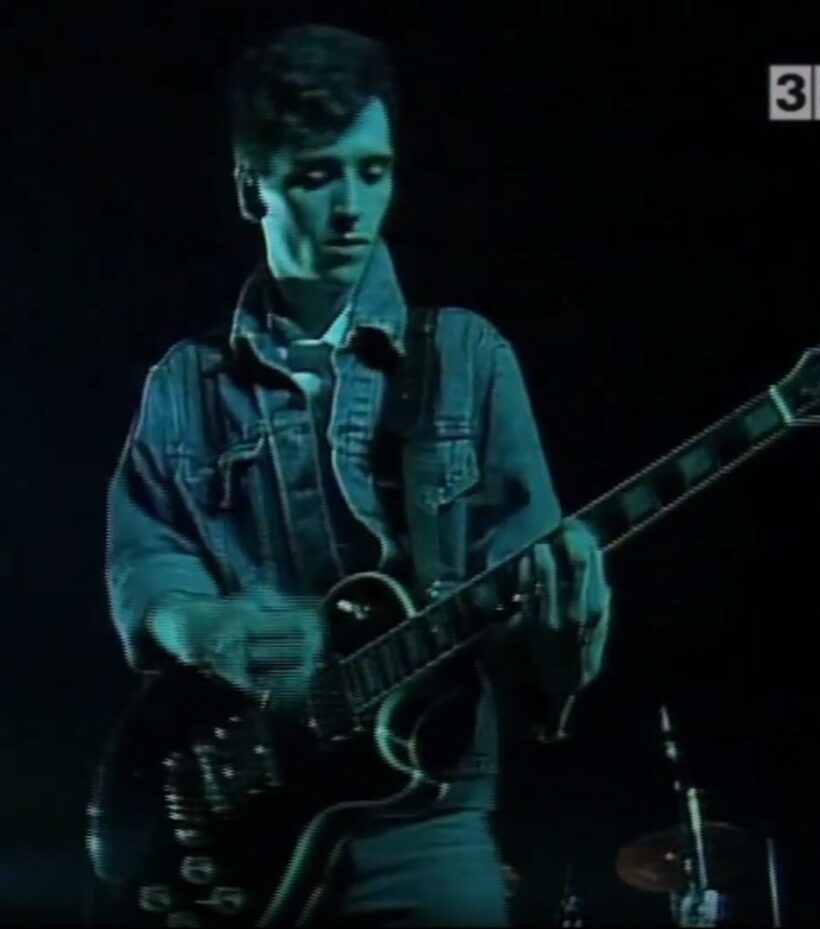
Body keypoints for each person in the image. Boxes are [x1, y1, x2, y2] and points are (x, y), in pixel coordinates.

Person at [104, 23, 612, 927]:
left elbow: (535, 640)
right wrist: (196, 622)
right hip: (239, 808)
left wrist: (568, 628)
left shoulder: (467, 357)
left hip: (426, 809)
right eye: (315, 175)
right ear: (249, 187)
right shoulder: (183, 385)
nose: (352, 207)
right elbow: (145, 555)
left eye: (371, 171)